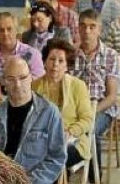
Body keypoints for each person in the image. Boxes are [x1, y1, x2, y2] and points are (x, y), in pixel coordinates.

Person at [33, 39, 94, 170]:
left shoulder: (78, 86)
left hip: (73, 142)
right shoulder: (34, 86)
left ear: (67, 66)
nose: (55, 64)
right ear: (44, 62)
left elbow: (87, 120)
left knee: (52, 158)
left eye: (61, 61)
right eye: (51, 59)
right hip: (42, 141)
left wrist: (70, 132)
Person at [72, 9, 120, 154]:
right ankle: (66, 171)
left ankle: (94, 175)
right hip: (75, 107)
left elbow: (111, 97)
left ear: (99, 30)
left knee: (90, 130)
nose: (87, 31)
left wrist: (91, 111)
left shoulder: (111, 56)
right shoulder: (71, 55)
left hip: (101, 108)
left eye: (92, 26)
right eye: (83, 26)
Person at [0, 11, 44, 79]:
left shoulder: (32, 54)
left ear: (16, 30)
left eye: (9, 29)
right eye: (1, 30)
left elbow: (38, 83)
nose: (5, 33)